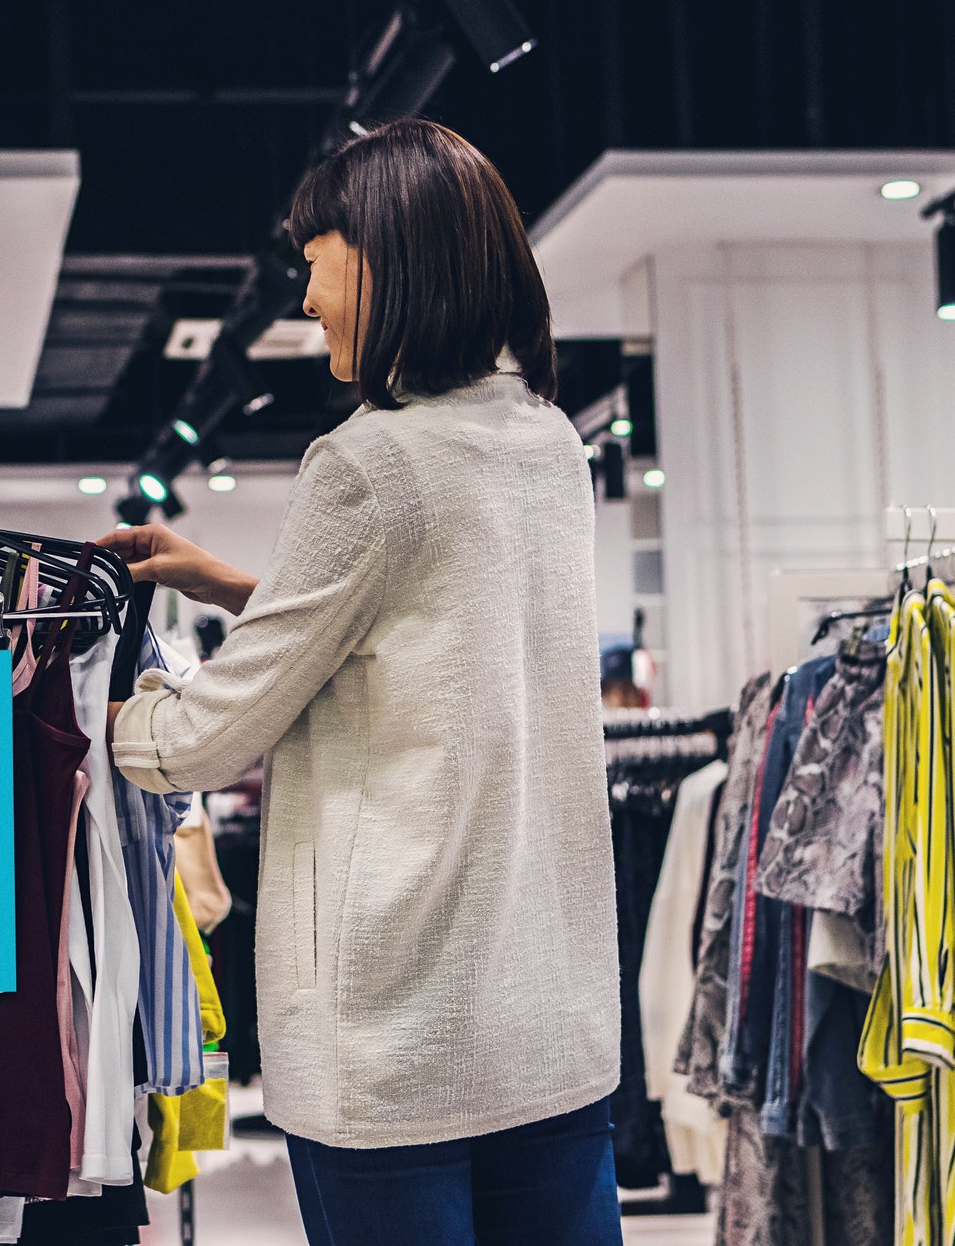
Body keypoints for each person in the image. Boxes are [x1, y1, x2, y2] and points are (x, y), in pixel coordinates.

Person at [100, 118, 622, 1246]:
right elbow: (435, 642)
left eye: (314, 259)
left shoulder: (368, 463)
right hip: (548, 1025)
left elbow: (196, 744)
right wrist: (244, 586)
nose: (303, 299)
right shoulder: (545, 444)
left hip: (396, 1041)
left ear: (384, 254)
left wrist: (79, 710)